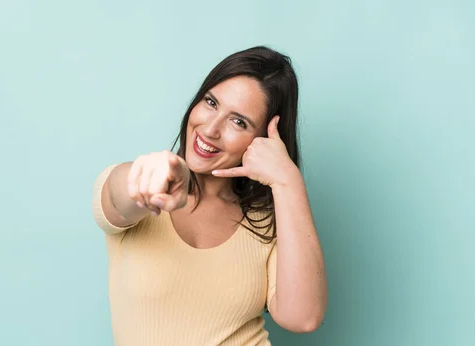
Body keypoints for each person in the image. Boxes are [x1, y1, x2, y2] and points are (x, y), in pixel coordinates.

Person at [92, 46, 327, 345]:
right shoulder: (139, 184)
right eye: (211, 102)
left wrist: (288, 181)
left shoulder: (268, 220)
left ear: (262, 142)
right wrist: (154, 177)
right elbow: (119, 194)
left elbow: (302, 317)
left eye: (238, 121)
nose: (211, 129)